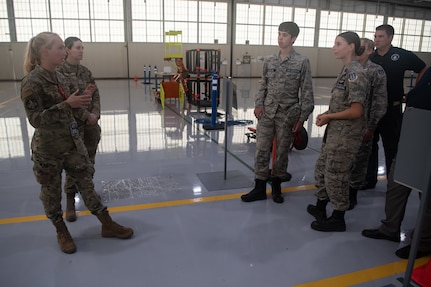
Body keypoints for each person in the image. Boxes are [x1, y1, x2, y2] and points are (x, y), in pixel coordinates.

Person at [21, 32, 133, 254]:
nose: (64, 51)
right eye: (61, 47)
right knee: (51, 194)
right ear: (45, 52)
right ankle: (61, 230)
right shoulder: (32, 82)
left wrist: (82, 103)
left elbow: (72, 107)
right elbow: (36, 120)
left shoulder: (60, 78)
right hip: (48, 150)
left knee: (86, 182)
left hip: (72, 144)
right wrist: (67, 104)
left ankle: (107, 223)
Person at [240, 22, 314, 204]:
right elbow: (263, 84)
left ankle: (277, 186)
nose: (280, 38)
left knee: (282, 152)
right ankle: (259, 187)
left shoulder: (302, 62)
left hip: (288, 115)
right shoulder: (270, 61)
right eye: (279, 34)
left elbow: (306, 92)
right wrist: (258, 105)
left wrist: (302, 118)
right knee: (261, 150)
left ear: (294, 38)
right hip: (267, 112)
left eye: (285, 35)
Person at [362, 66, 431, 259]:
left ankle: (424, 242)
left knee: (427, 198)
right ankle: (390, 228)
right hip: (411, 137)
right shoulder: (428, 72)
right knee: (395, 185)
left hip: (427, 142)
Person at [307, 31, 368, 232]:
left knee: (336, 174)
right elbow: (343, 105)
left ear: (351, 47)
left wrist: (329, 117)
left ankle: (338, 218)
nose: (334, 47)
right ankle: (321, 207)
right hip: (335, 133)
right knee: (323, 168)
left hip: (345, 136)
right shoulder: (346, 70)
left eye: (338, 43)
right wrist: (327, 114)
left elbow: (357, 110)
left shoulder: (355, 73)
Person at [362, 24, 427, 190]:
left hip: (392, 109)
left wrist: (415, 91)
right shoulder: (371, 57)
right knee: (370, 145)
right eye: (375, 36)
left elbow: (423, 68)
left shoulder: (401, 55)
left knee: (391, 146)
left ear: (390, 38)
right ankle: (370, 179)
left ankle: (393, 182)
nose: (376, 39)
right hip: (372, 110)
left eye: (381, 36)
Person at [57, 37, 101, 222]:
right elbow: (68, 102)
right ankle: (69, 200)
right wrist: (87, 116)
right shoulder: (59, 73)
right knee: (74, 164)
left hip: (90, 127)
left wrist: (96, 114)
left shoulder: (85, 72)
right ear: (67, 50)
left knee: (89, 162)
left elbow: (95, 93)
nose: (81, 51)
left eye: (82, 48)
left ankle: (88, 193)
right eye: (77, 48)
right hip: (73, 128)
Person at [348, 38, 387, 210]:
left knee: (360, 160)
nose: (358, 50)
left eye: (361, 47)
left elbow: (380, 102)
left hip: (364, 124)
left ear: (370, 50)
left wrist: (371, 126)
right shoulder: (350, 68)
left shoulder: (376, 71)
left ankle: (352, 195)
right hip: (348, 124)